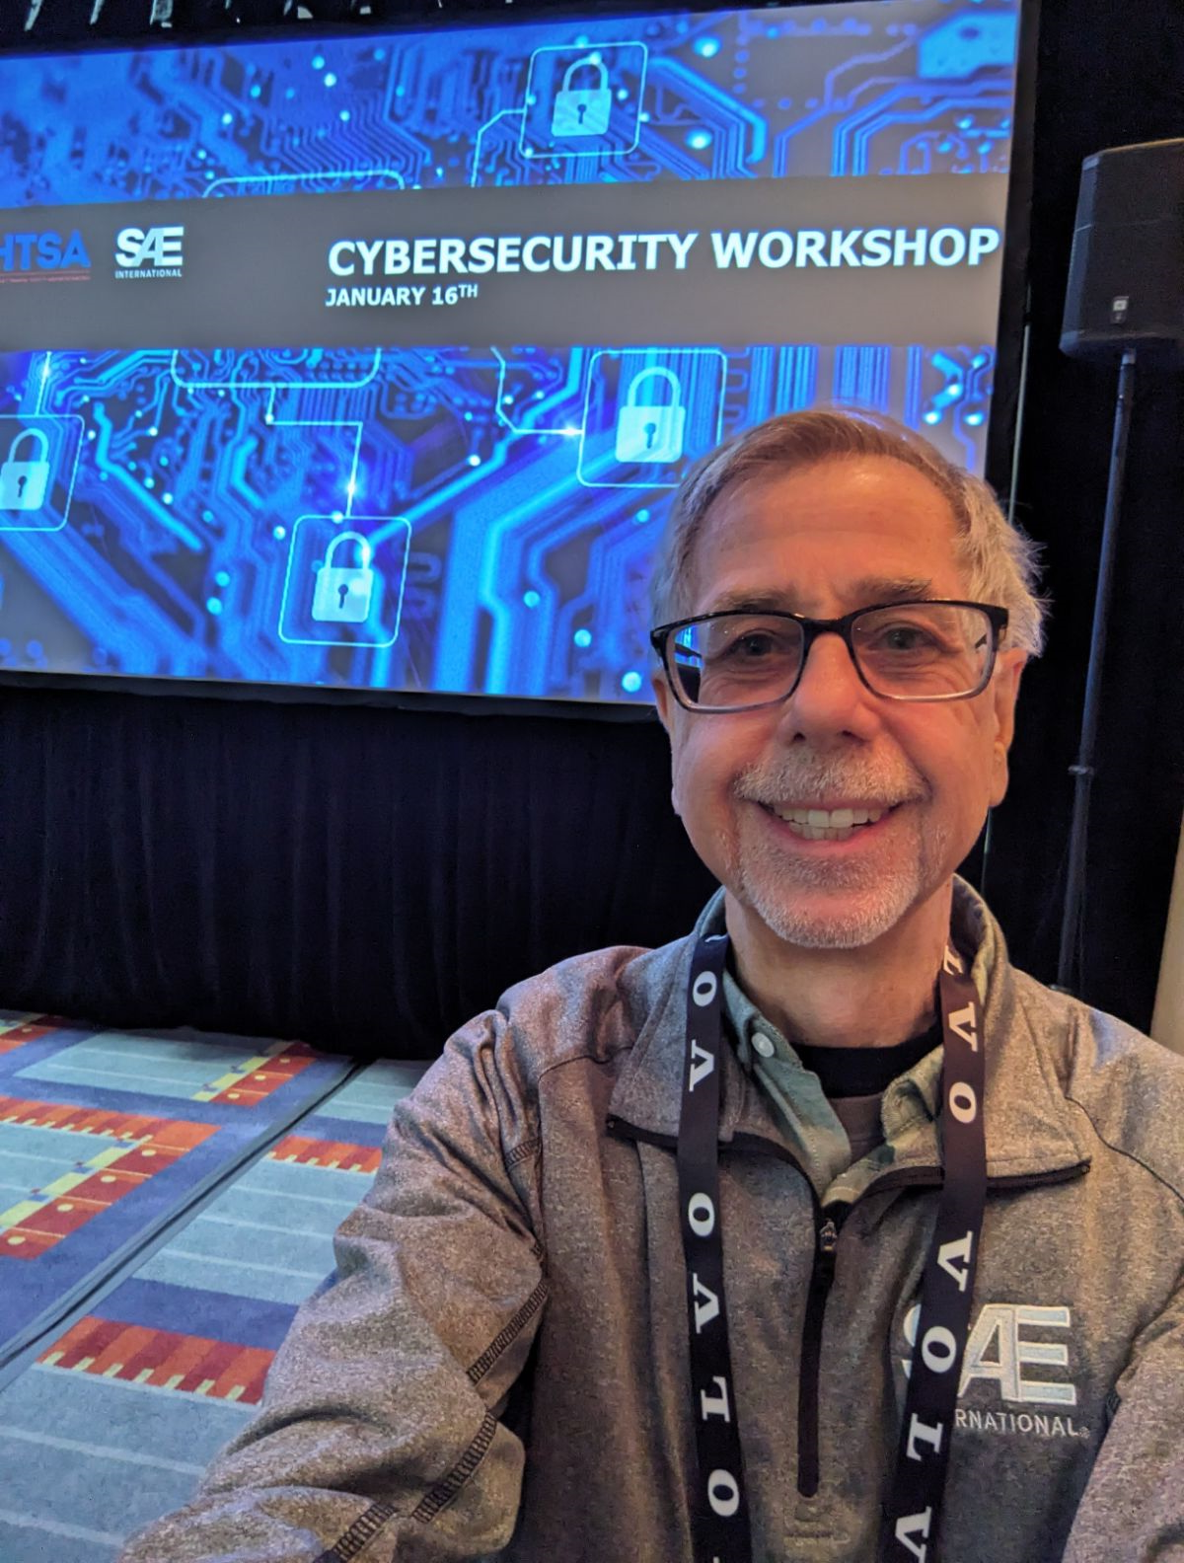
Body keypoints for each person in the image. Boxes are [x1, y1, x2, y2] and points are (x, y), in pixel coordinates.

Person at [119, 408, 1184, 1563]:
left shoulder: (1160, 1166)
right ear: (671, 712)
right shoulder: (520, 1091)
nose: (822, 705)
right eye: (746, 644)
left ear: (999, 708)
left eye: (905, 638)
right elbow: (334, 1486)